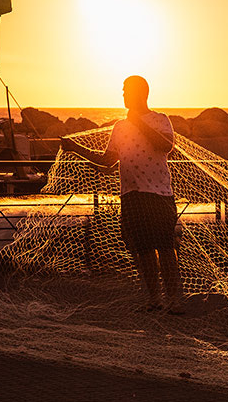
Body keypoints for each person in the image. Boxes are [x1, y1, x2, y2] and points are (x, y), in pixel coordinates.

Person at [62, 75, 182, 313]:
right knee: (144, 251)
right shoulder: (119, 127)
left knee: (166, 249)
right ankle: (154, 300)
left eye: (127, 90)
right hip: (131, 196)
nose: (123, 94)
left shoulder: (160, 119)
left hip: (159, 195)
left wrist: (139, 122)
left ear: (141, 93)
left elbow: (166, 146)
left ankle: (175, 301)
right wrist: (76, 149)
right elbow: (107, 161)